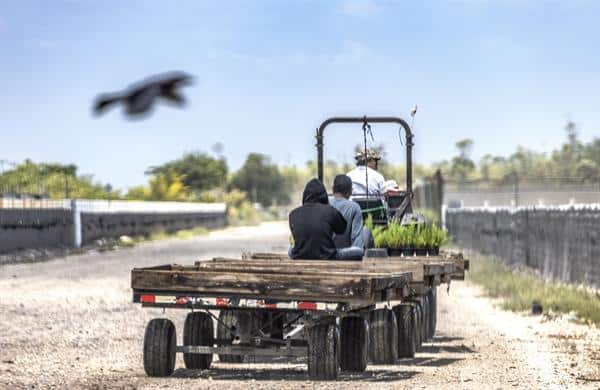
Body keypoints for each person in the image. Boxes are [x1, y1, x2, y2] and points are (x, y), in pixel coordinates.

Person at [288, 178, 346, 260]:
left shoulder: (292, 214)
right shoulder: (329, 210)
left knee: (290, 249)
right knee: (357, 251)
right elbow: (342, 229)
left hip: (300, 256)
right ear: (324, 195)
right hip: (328, 256)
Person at [329, 175, 374, 257]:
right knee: (366, 232)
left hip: (325, 254)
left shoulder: (325, 203)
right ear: (350, 191)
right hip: (344, 255)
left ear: (333, 189)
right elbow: (357, 243)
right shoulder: (354, 207)